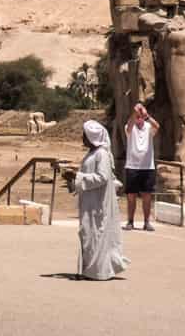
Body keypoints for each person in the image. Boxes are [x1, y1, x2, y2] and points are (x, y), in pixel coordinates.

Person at [66, 120, 129, 281]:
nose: (82, 138)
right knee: (88, 233)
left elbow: (102, 177)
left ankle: (98, 271)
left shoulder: (101, 154)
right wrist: (72, 180)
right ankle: (89, 270)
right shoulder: (92, 154)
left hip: (97, 204)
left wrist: (78, 176)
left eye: (84, 135)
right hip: (89, 202)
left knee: (95, 234)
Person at [123, 100, 159, 232]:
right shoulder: (129, 126)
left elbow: (157, 126)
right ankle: (130, 221)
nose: (139, 118)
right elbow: (128, 127)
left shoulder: (148, 127)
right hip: (132, 166)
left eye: (140, 115)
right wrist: (134, 114)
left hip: (147, 166)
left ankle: (146, 222)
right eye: (137, 116)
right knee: (131, 195)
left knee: (147, 195)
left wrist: (146, 115)